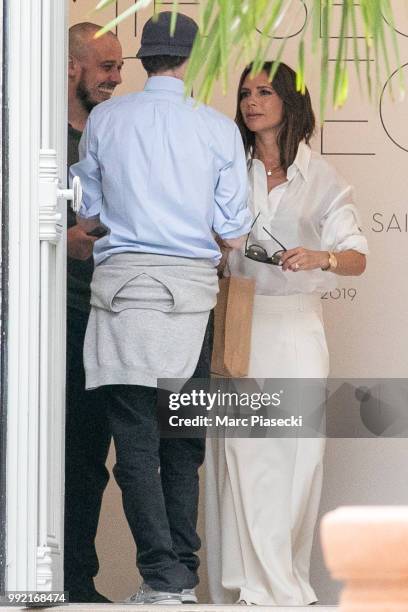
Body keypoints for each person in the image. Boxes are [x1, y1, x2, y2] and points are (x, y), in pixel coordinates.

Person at [70, 11, 252, 605]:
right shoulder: (217, 128)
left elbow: (89, 210)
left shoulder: (106, 118)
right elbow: (233, 227)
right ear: (191, 61)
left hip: (123, 291)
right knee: (180, 441)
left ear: (143, 58)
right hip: (192, 297)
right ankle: (180, 575)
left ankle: (163, 578)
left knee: (135, 442)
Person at [205, 62, 368, 606]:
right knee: (245, 457)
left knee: (296, 459)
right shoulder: (228, 168)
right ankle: (253, 586)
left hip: (298, 327)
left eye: (264, 92)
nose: (252, 102)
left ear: (289, 100)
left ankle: (282, 583)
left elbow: (355, 258)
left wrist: (321, 255)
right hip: (241, 324)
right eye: (245, 92)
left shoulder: (322, 176)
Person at [65, 22, 123, 603]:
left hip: (104, 316)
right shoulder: (37, 139)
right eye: (105, 65)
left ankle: (76, 583)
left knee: (87, 460)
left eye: (121, 65)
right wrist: (63, 240)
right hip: (44, 322)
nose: (116, 77)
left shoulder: (118, 139)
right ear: (72, 67)